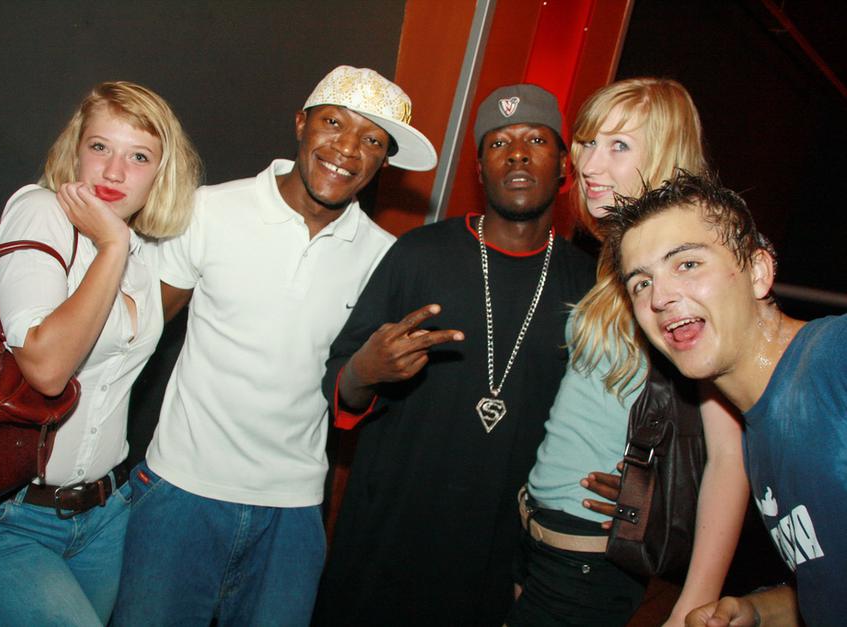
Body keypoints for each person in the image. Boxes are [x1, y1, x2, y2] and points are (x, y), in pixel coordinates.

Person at [111, 65, 437, 626]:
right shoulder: (210, 209)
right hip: (181, 491)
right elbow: (136, 332)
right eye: (333, 123)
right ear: (300, 124)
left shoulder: (385, 257)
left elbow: (355, 389)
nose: (347, 149)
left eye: (372, 140)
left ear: (384, 161)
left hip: (293, 511)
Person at [312, 83, 595, 625]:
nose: (517, 154)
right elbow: (340, 385)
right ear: (480, 170)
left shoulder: (589, 287)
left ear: (564, 165)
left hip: (497, 558)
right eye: (498, 144)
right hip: (385, 545)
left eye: (536, 140)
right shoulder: (419, 254)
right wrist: (366, 370)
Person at [0, 81, 202, 626]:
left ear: (160, 173)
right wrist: (111, 246)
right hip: (7, 520)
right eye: (100, 147)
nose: (114, 172)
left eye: (139, 157)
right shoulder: (41, 213)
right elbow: (47, 368)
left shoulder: (147, 255)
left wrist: (121, 244)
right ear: (75, 149)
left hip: (105, 516)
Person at [507, 78, 749, 626]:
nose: (590, 164)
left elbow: (730, 454)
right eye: (589, 143)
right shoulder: (618, 258)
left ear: (664, 153)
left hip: (587, 561)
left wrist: (692, 606)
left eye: (619, 146)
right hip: (542, 535)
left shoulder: (688, 268)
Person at [603, 170, 845, 627]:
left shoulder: (835, 358)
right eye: (641, 283)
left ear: (758, 272)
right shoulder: (756, 436)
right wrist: (758, 610)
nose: (660, 297)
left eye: (687, 264)